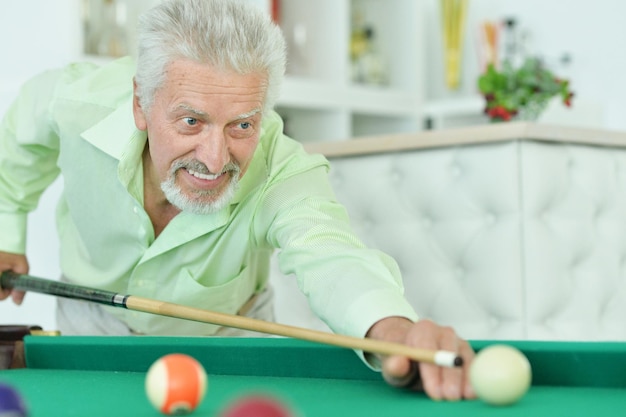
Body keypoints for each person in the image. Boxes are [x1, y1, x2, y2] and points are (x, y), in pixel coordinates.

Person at [0, 0, 475, 400]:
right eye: (191, 122)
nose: (214, 158)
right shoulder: (72, 102)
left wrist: (392, 330)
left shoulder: (282, 169)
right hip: (91, 328)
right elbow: (16, 146)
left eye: (242, 125)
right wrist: (6, 229)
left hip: (229, 342)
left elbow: (331, 253)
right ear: (141, 106)